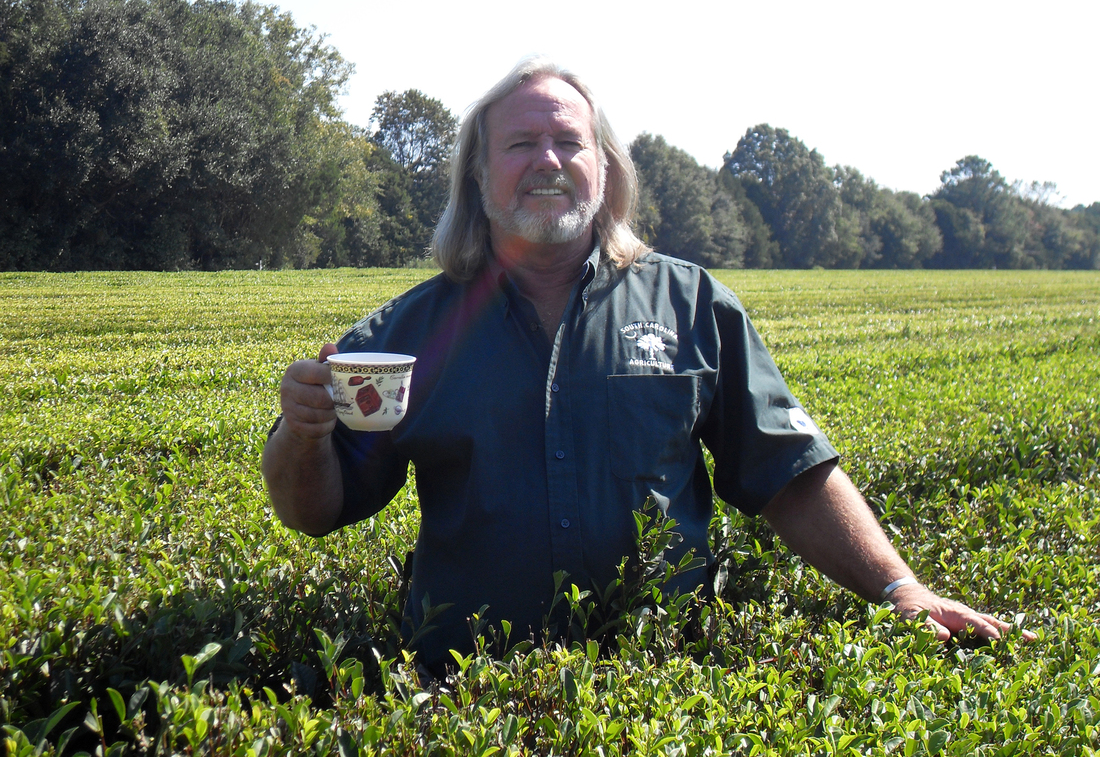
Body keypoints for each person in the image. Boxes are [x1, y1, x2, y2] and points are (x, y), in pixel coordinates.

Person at [263, 57, 1031, 673]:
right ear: (477, 173)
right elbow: (312, 511)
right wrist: (303, 434)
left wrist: (900, 588)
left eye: (569, 142)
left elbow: (790, 474)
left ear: (605, 168)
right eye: (521, 144)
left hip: (662, 684)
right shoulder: (405, 332)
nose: (548, 160)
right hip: (464, 691)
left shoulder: (693, 304)